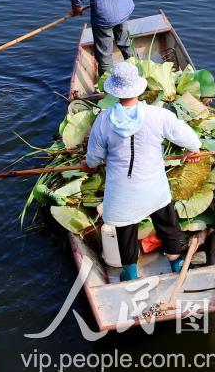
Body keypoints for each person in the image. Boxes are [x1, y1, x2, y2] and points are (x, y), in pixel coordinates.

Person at [83, 61, 202, 281]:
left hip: (122, 193)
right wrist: (192, 150)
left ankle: (130, 274)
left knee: (125, 231)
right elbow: (190, 139)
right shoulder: (158, 115)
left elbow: (93, 159)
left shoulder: (103, 121)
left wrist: (87, 165)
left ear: (114, 91)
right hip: (154, 188)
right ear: (139, 88)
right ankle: (176, 264)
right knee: (167, 224)